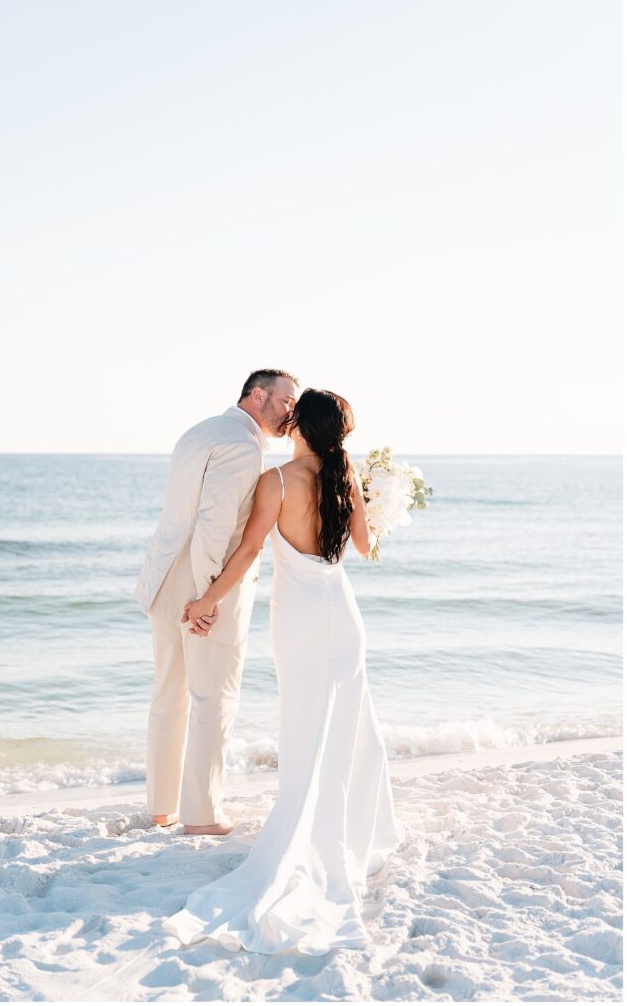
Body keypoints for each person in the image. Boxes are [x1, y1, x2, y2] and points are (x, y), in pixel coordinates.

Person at [164, 388, 401, 954]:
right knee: (346, 721)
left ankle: (309, 831)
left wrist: (205, 601)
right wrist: (383, 502)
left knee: (305, 723)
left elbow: (247, 552)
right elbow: (366, 548)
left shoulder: (277, 480)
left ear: (300, 426)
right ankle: (351, 830)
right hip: (342, 615)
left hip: (299, 618)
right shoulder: (345, 479)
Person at [135, 369, 299, 836]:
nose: (291, 411)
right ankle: (204, 816)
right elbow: (213, 523)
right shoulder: (243, 445)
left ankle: (162, 808)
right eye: (286, 401)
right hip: (200, 586)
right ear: (257, 394)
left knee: (169, 697)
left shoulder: (200, 430)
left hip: (163, 578)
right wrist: (208, 597)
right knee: (213, 700)